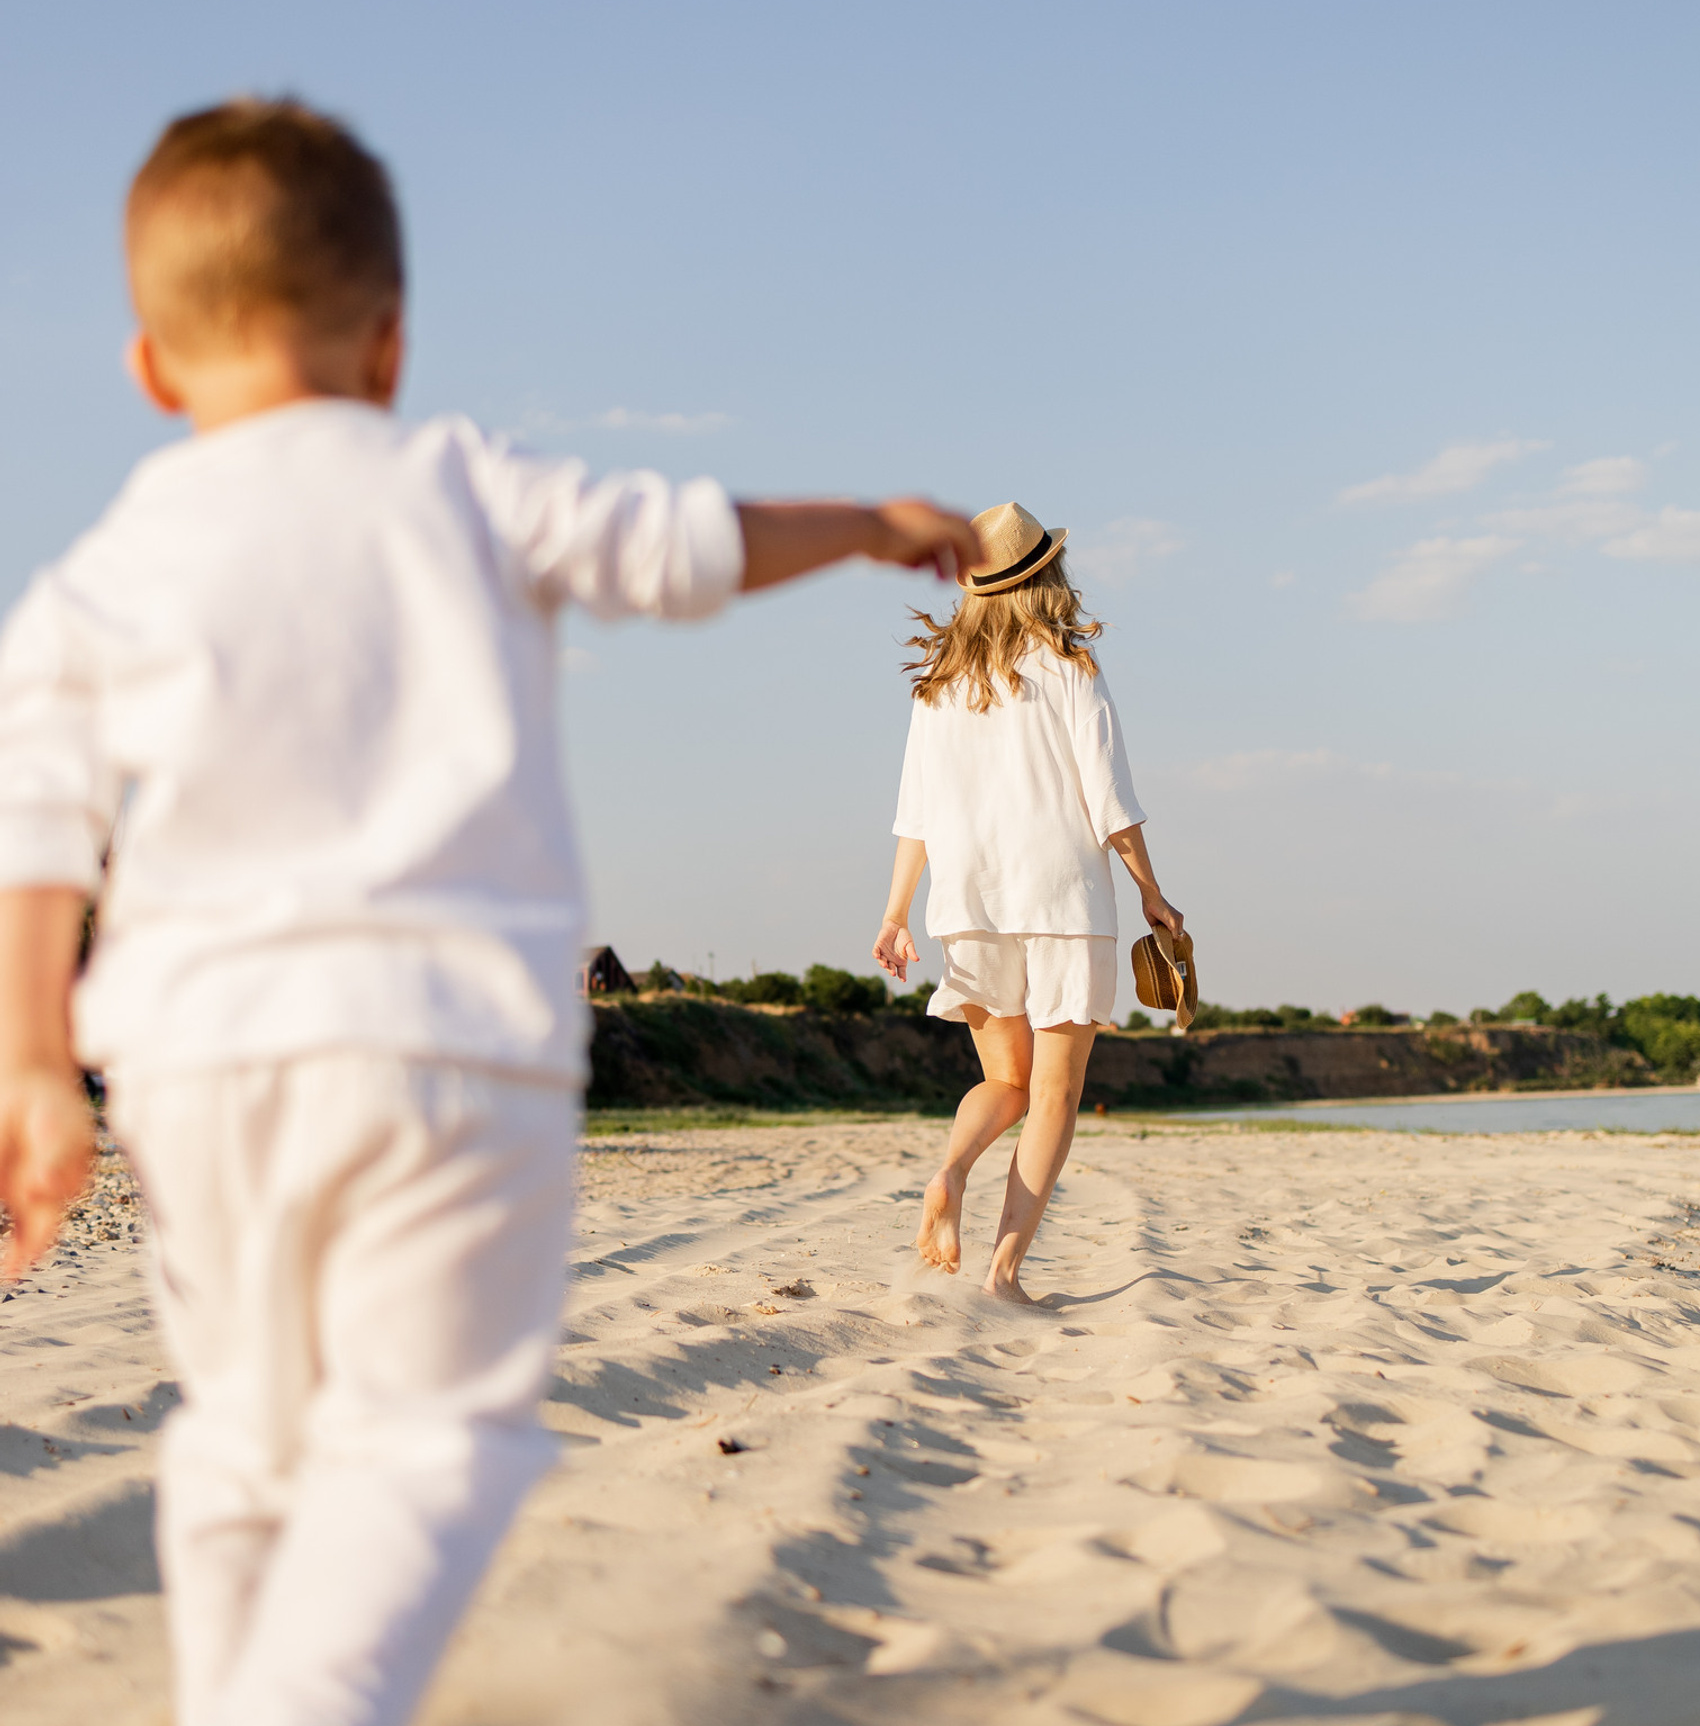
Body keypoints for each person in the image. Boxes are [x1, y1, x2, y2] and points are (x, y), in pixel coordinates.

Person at [0, 96, 979, 1726]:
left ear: (153, 372)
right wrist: (871, 525)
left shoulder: (101, 573)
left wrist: (36, 1062)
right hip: (454, 1057)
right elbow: (685, 547)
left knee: (244, 1429)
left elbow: (37, 826)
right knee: (433, 1438)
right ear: (390, 344)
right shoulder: (458, 482)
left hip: (204, 1067)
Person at [871, 502, 1182, 1303]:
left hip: (967, 901)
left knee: (1004, 1082)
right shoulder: (1071, 667)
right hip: (1064, 898)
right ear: (1047, 577)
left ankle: (948, 1173)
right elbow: (1110, 800)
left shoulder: (937, 688)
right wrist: (1152, 892)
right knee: (1052, 1095)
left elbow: (916, 815)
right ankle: (1003, 1276)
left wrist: (896, 913)